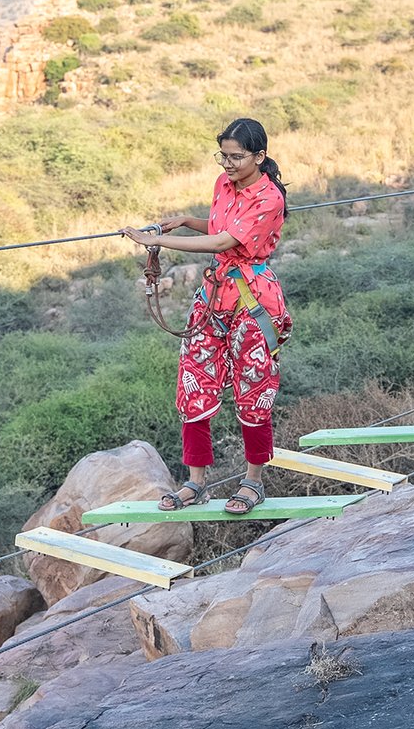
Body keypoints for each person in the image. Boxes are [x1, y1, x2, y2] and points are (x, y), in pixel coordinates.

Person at [121, 118, 292, 515]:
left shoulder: (269, 199)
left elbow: (223, 241)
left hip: (252, 301)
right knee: (193, 385)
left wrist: (157, 239)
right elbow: (217, 227)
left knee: (253, 389)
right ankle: (196, 483)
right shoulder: (224, 185)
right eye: (223, 156)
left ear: (259, 157)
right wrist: (183, 220)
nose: (227, 165)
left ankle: (253, 481)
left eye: (236, 157)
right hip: (214, 297)